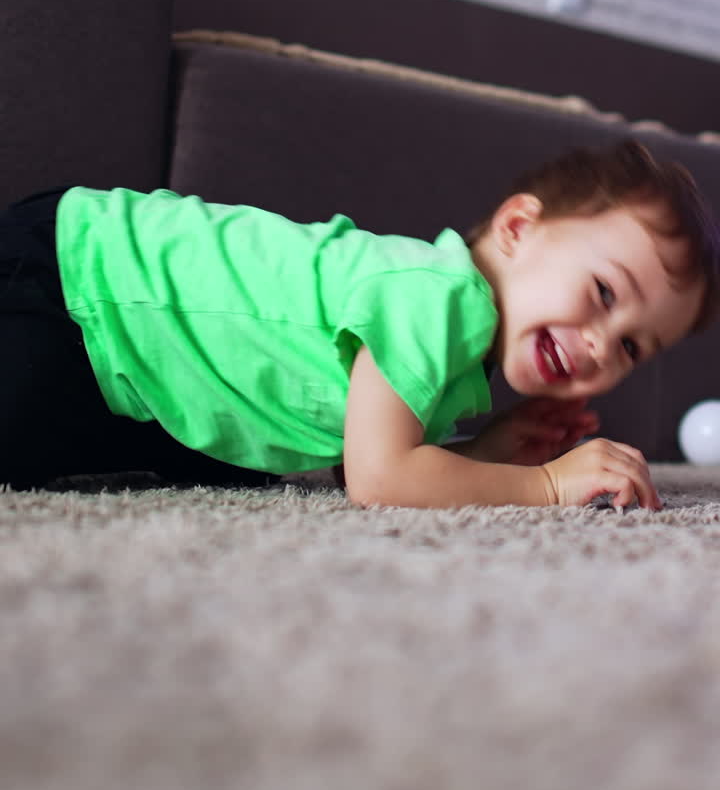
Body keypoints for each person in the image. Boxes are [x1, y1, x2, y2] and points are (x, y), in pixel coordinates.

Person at [1, 140, 717, 508]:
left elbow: (355, 458)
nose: (601, 342)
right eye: (601, 291)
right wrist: (548, 487)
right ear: (519, 228)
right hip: (79, 283)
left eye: (631, 344)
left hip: (117, 356)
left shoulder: (455, 365)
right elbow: (380, 479)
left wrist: (486, 452)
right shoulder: (438, 296)